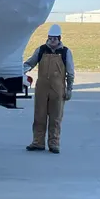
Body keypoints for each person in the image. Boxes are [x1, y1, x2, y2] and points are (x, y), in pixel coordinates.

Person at [23, 24, 74, 153]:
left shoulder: (65, 52)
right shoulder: (41, 50)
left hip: (58, 90)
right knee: (39, 116)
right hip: (42, 89)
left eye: (54, 39)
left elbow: (70, 72)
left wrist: (69, 89)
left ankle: (54, 143)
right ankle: (37, 142)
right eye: (50, 38)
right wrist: (20, 70)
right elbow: (30, 63)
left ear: (59, 39)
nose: (52, 41)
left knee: (55, 118)